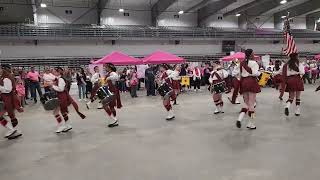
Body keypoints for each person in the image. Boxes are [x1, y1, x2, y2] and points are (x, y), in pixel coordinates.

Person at [51, 67, 86, 133]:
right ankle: (68, 125)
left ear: (58, 72)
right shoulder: (59, 79)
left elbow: (61, 89)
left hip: (61, 97)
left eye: (54, 71)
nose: (53, 72)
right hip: (61, 96)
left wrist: (53, 86)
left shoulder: (61, 79)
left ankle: (61, 126)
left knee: (56, 112)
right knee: (63, 112)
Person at [236, 49, 261, 130]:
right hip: (251, 81)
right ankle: (251, 123)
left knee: (246, 103)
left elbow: (237, 74)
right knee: (252, 104)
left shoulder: (241, 63)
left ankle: (240, 118)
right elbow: (254, 73)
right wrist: (259, 72)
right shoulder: (254, 63)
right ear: (251, 54)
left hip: (244, 82)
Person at [0, 64, 23, 139]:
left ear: (3, 69)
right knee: (11, 115)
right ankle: (14, 130)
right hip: (7, 98)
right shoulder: (5, 77)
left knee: (8, 115)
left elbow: (8, 89)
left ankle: (12, 130)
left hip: (8, 98)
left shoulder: (6, 78)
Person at [103, 63, 122, 128]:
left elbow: (116, 77)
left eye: (106, 67)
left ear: (109, 68)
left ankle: (114, 119)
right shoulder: (109, 73)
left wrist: (108, 78)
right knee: (110, 106)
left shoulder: (112, 73)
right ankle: (114, 119)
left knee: (107, 105)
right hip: (109, 91)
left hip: (112, 92)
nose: (105, 68)